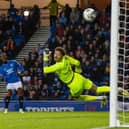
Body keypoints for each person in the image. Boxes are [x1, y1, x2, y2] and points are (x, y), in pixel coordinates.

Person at [43, 47, 129, 101]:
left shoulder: (59, 65)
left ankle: (98, 98)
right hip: (79, 77)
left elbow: (46, 70)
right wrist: (78, 69)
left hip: (74, 85)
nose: (55, 56)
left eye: (57, 55)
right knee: (97, 89)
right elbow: (77, 62)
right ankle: (118, 89)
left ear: (62, 56)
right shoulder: (66, 58)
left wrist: (45, 57)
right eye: (55, 54)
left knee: (77, 98)